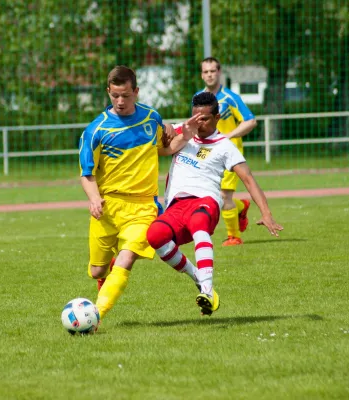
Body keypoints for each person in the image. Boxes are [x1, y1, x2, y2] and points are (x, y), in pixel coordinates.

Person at [79, 66, 200, 321]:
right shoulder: (96, 130)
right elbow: (87, 173)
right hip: (108, 207)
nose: (120, 101)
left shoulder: (151, 118)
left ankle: (95, 315)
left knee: (127, 257)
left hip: (143, 207)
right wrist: (93, 198)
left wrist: (184, 137)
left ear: (136, 91)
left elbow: (164, 149)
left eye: (125, 95)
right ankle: (104, 280)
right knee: (97, 270)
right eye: (115, 96)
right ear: (108, 93)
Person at [146, 92, 283, 316]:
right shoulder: (184, 130)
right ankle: (198, 279)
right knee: (154, 236)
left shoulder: (225, 146)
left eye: (205, 119)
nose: (198, 123)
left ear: (217, 117)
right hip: (176, 205)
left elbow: (248, 179)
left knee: (199, 223)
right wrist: (170, 126)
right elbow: (157, 144)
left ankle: (208, 292)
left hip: (205, 202)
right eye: (194, 117)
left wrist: (266, 213)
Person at [195, 57, 257, 246]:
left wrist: (228, 136)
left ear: (219, 72)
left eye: (213, 71)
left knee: (223, 196)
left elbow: (250, 121)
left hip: (229, 154)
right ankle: (241, 206)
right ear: (202, 74)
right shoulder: (198, 98)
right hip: (207, 153)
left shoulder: (230, 98)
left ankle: (234, 236)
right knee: (211, 195)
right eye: (206, 71)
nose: (209, 75)